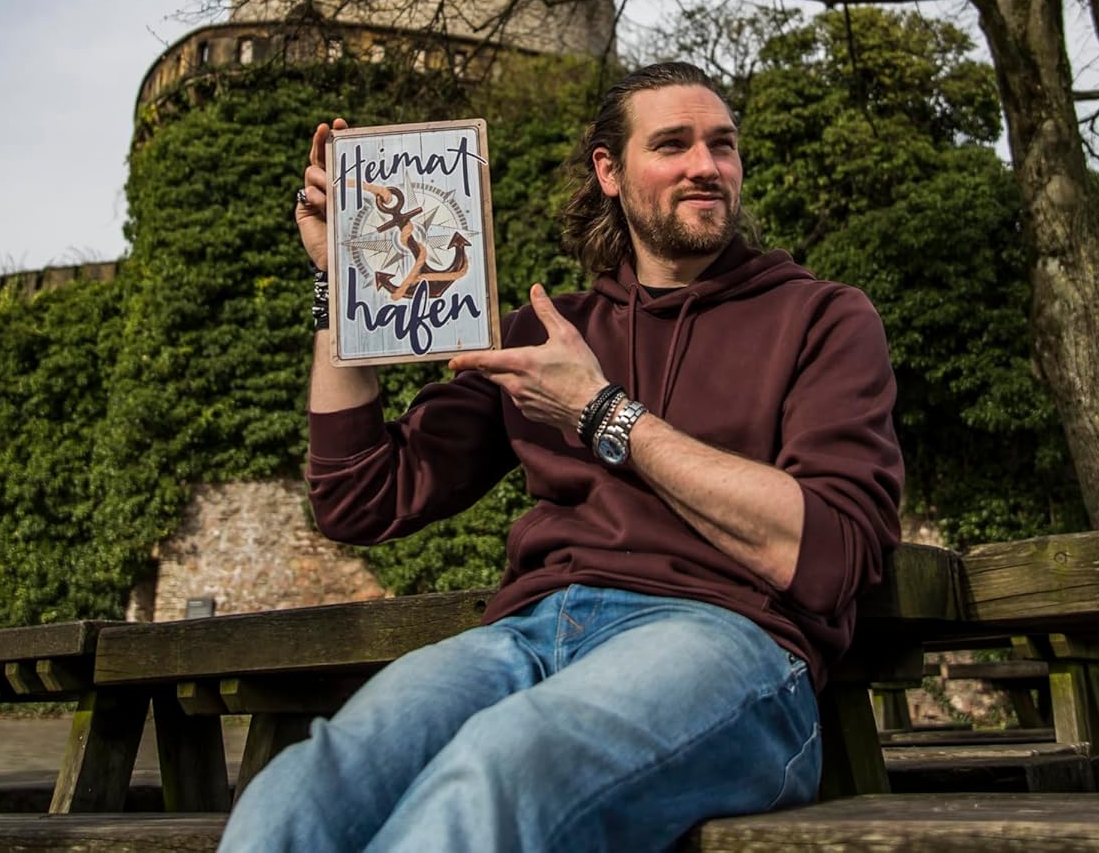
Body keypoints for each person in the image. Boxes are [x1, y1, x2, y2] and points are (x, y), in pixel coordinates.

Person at [218, 61, 903, 853]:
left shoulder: (823, 317)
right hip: (528, 634)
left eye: (723, 145)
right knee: (305, 787)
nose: (705, 166)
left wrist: (600, 411)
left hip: (727, 643)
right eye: (673, 144)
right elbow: (359, 495)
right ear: (609, 172)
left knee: (498, 769)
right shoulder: (550, 334)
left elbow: (828, 554)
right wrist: (340, 283)